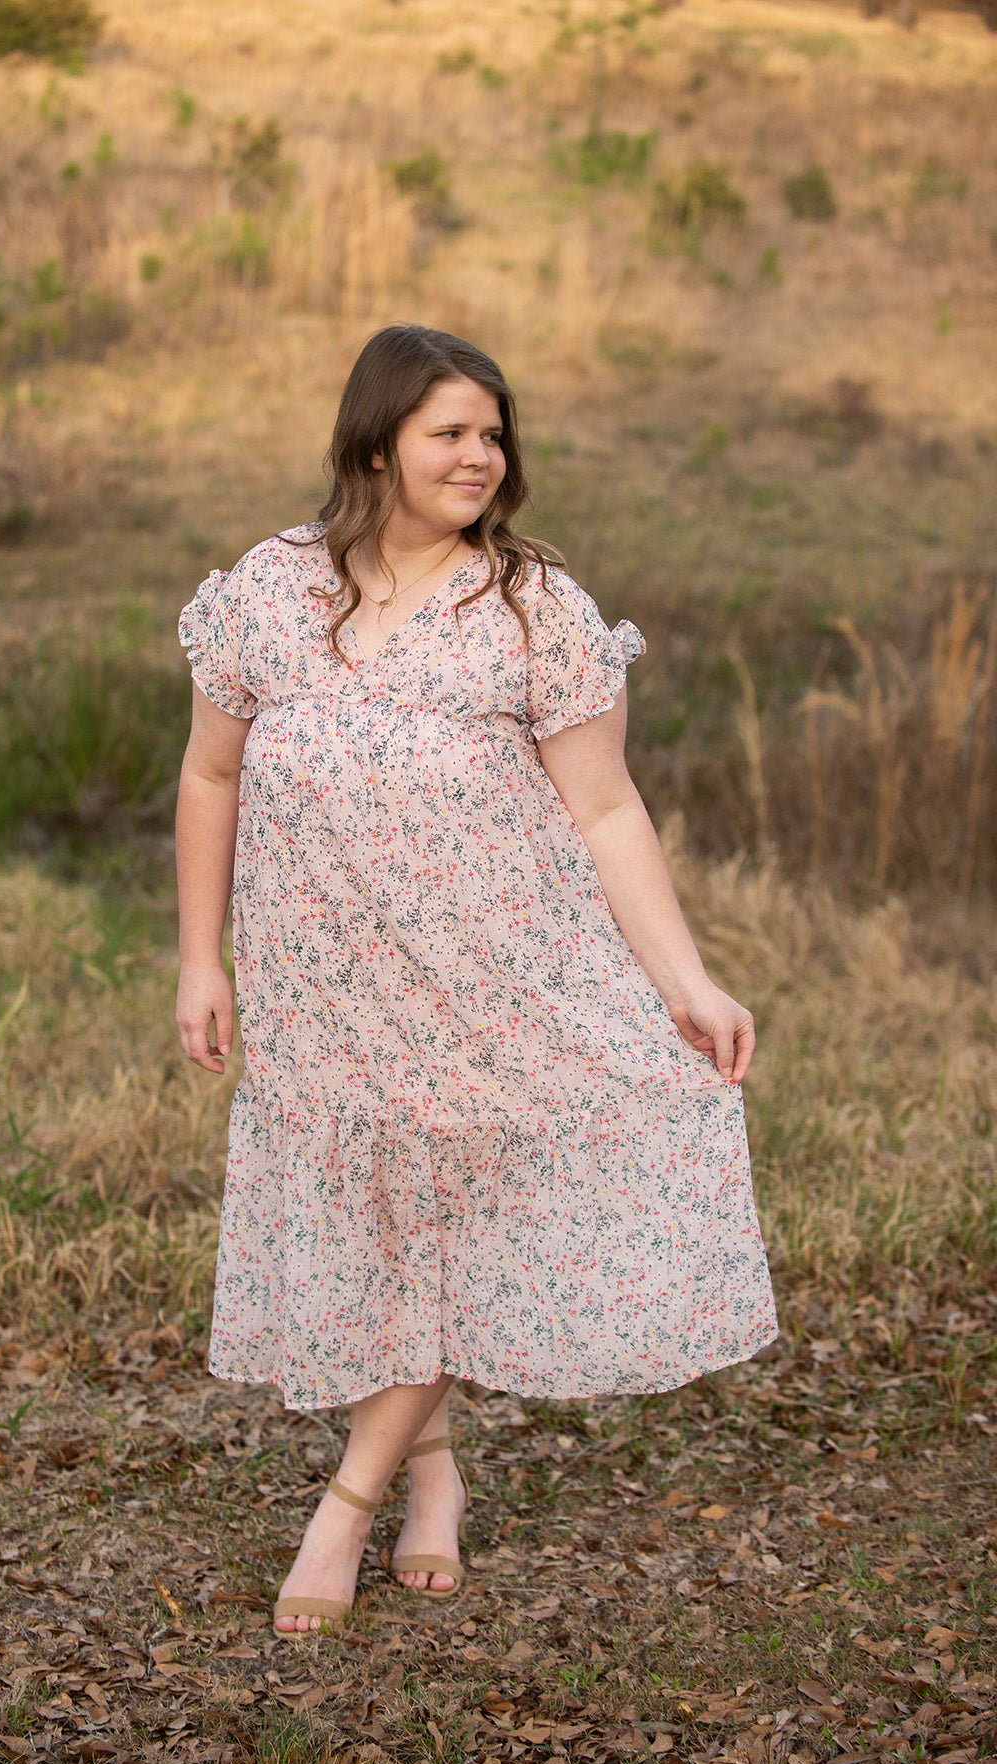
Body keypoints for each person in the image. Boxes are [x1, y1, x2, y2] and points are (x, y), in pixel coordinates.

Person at [175, 323, 777, 1636]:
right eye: (451, 431)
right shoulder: (271, 591)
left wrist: (687, 978)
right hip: (319, 990)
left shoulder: (530, 604)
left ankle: (347, 1503)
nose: (479, 456)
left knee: (454, 1216)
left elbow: (608, 808)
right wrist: (197, 957)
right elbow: (209, 773)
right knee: (381, 1214)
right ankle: (435, 1472)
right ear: (378, 438)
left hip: (494, 981)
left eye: (493, 434)